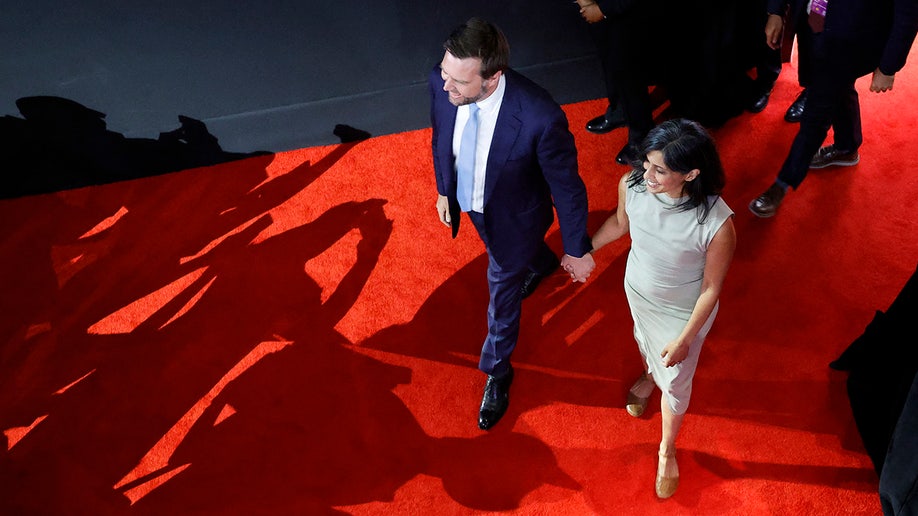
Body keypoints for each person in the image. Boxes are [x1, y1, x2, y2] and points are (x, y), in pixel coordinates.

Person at [429, 18, 596, 431]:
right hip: (470, 203)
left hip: (517, 218)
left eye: (458, 83)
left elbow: (568, 188)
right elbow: (440, 138)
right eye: (444, 73)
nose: (445, 86)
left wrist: (576, 248)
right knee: (517, 258)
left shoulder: (539, 116)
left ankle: (498, 371)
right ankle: (538, 264)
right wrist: (443, 190)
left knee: (501, 292)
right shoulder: (444, 80)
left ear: (492, 78)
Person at [590, 119, 736, 499]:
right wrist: (584, 250)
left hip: (682, 315)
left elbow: (711, 289)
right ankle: (648, 374)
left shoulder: (717, 224)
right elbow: (621, 224)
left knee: (677, 381)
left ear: (691, 173)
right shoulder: (632, 185)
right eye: (647, 163)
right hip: (638, 290)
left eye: (660, 170)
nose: (646, 174)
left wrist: (686, 338)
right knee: (643, 342)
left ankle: (667, 448)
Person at [749, 0, 918, 218]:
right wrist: (775, 10)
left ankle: (782, 184)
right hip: (812, 22)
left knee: (815, 116)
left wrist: (889, 66)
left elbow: (909, 12)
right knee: (838, 88)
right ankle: (847, 146)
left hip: (851, 40)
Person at [575, 0, 657, 165]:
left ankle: (641, 137)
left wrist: (603, 9)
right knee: (609, 60)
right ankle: (618, 111)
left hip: (629, 13)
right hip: (597, 9)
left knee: (628, 71)